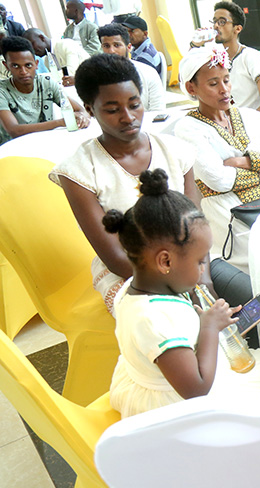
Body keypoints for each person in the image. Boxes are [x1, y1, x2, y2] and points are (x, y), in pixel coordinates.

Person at [105, 169, 260, 418]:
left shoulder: (141, 287)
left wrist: (208, 320)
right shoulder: (153, 320)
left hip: (164, 378)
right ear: (165, 262)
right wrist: (209, 329)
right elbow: (197, 388)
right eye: (199, 263)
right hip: (179, 408)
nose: (204, 269)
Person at [48, 54, 200, 314]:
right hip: (129, 275)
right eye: (112, 109)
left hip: (188, 261)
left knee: (236, 296)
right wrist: (181, 282)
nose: (128, 117)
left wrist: (200, 274)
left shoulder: (176, 151)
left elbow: (197, 227)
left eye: (134, 104)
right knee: (172, 320)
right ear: (88, 109)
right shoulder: (79, 171)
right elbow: (116, 258)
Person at [173, 45, 260, 277]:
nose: (224, 90)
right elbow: (218, 181)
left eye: (226, 80)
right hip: (228, 212)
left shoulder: (250, 116)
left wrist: (240, 162)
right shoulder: (187, 128)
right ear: (192, 88)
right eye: (213, 84)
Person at [189, 1, 260, 121]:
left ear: (237, 28)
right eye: (214, 21)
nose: (216, 26)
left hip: (245, 124)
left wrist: (239, 125)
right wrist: (195, 45)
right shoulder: (215, 56)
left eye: (222, 22)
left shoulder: (250, 56)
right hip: (224, 120)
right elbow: (187, 77)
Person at [0, 36, 89, 145]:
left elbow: (80, 110)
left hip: (46, 143)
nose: (23, 71)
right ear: (6, 66)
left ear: (36, 64)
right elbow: (14, 130)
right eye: (15, 66)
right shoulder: (2, 91)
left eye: (28, 65)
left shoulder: (46, 82)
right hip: (13, 149)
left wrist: (82, 118)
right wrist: (61, 122)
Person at [97, 23, 164, 111]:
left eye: (116, 45)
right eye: (106, 46)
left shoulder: (148, 73)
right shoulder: (96, 77)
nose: (111, 51)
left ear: (128, 47)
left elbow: (157, 111)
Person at [23, 28, 89, 86]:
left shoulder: (66, 44)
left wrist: (45, 77)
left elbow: (71, 73)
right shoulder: (46, 60)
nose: (32, 50)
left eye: (32, 44)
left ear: (42, 38)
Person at [121, 15, 163, 83]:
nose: (128, 34)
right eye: (126, 30)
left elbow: (137, 82)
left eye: (132, 31)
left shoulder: (145, 57)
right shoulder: (141, 49)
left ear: (145, 34)